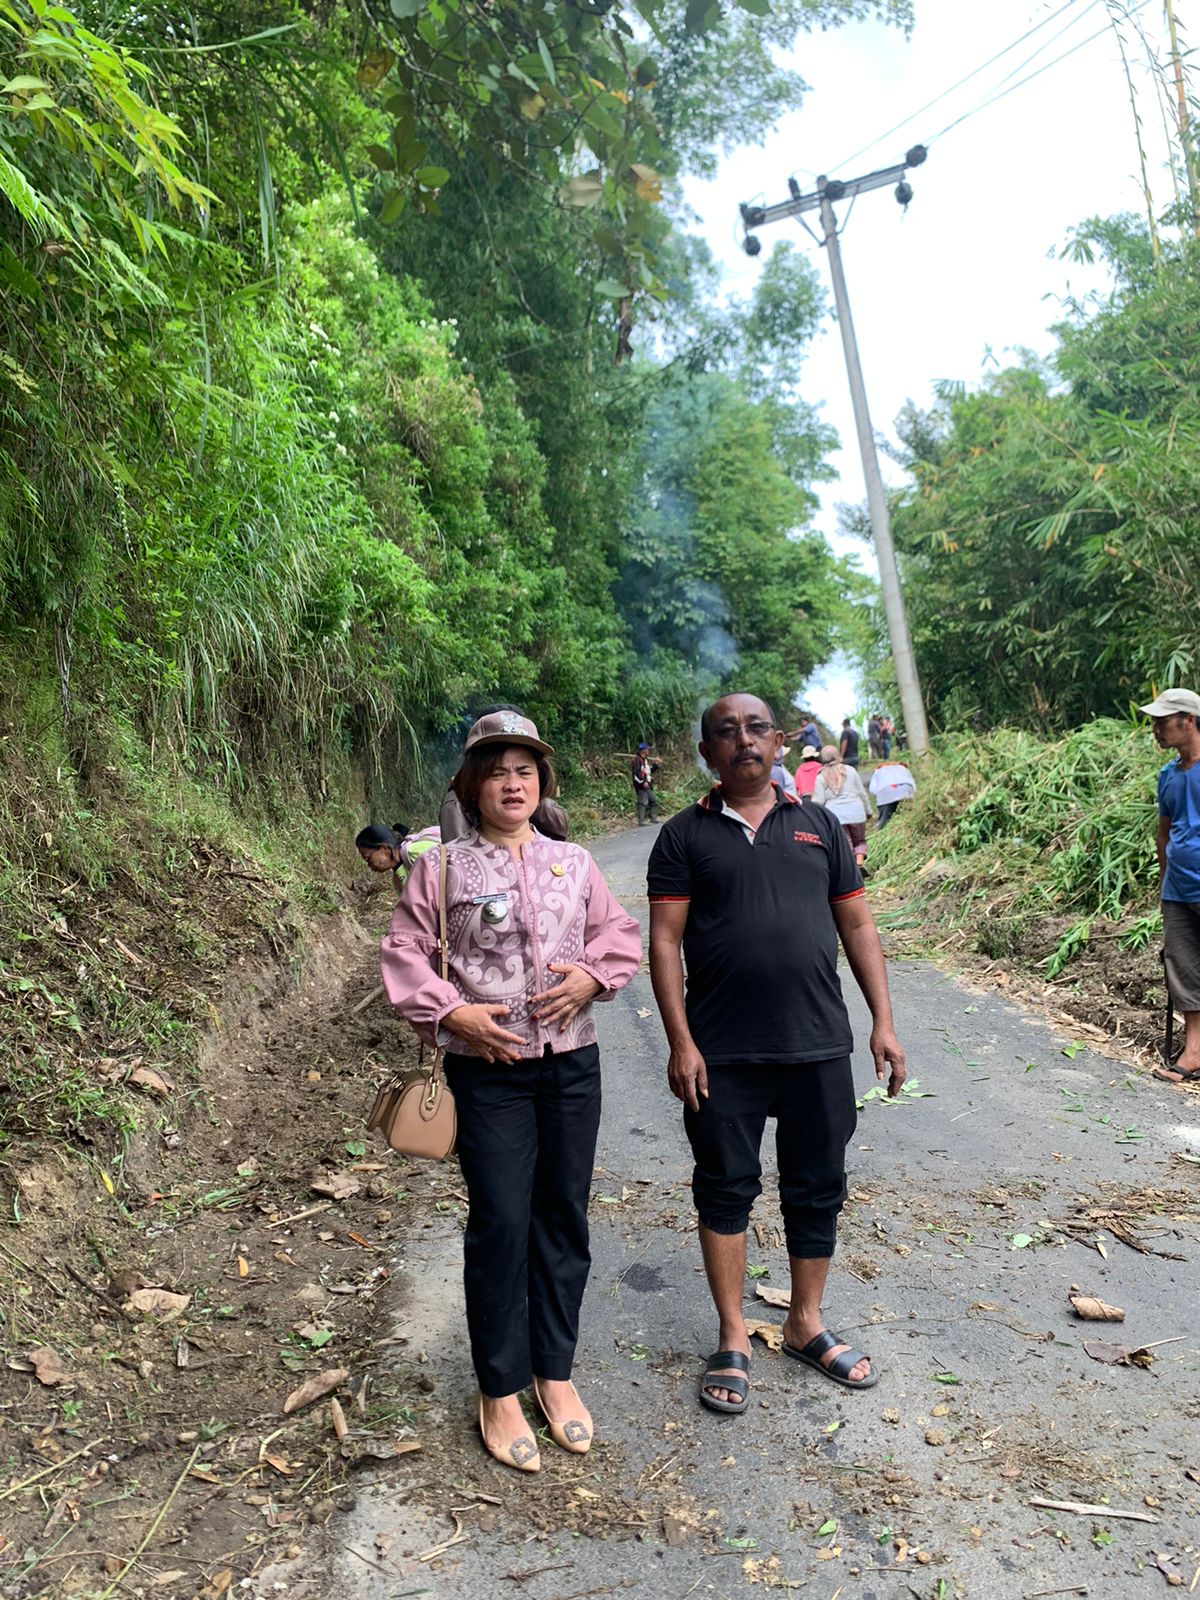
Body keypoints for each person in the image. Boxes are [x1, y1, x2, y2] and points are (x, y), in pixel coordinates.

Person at [380, 711, 641, 1472]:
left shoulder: (575, 861)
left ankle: (554, 1376)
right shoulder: (442, 868)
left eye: (524, 769)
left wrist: (594, 975)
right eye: (496, 770)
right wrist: (451, 1011)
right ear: (471, 785)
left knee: (564, 1217)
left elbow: (616, 936)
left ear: (541, 782)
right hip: (487, 1072)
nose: (512, 782)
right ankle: (498, 1388)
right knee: (501, 1223)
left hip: (571, 1067)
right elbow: (403, 953)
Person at [646, 694, 906, 1414]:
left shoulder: (818, 825)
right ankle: (732, 1335)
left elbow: (857, 926)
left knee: (817, 1182)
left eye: (755, 728)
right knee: (725, 1185)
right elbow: (664, 942)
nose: (743, 741)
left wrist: (883, 1022)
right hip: (722, 1051)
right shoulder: (682, 836)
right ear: (707, 752)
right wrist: (681, 1041)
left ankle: (804, 1324)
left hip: (818, 1044)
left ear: (780, 741)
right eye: (725, 732)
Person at [1144, 688, 1200, 1083]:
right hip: (1178, 889)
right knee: (1184, 968)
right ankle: (1194, 1050)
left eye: (1163, 722)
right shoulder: (1167, 775)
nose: (1156, 729)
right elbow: (1163, 834)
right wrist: (1165, 879)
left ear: (1190, 721)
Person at [440, 705, 569, 842]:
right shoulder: (456, 803)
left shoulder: (573, 857)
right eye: (496, 774)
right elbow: (455, 856)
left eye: (524, 772)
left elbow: (560, 828)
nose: (513, 785)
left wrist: (525, 801)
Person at [813, 745, 873, 867]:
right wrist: (869, 811)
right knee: (859, 840)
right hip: (857, 812)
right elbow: (862, 793)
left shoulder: (821, 777)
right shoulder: (850, 770)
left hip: (836, 817)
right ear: (837, 755)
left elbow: (818, 801)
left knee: (845, 844)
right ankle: (859, 862)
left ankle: (851, 868)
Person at [868, 758, 916, 829]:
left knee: (884, 819)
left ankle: (880, 828)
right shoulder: (903, 768)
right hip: (905, 789)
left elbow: (872, 789)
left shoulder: (878, 771)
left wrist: (880, 797)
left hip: (886, 790)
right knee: (906, 816)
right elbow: (913, 785)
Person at [631, 742, 661, 826]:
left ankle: (654, 817)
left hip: (648, 785)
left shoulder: (645, 760)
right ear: (643, 751)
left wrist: (655, 764)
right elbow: (636, 774)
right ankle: (642, 820)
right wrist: (643, 782)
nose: (648, 751)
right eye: (647, 749)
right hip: (641, 786)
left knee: (653, 801)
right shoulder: (637, 760)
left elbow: (648, 771)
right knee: (642, 802)